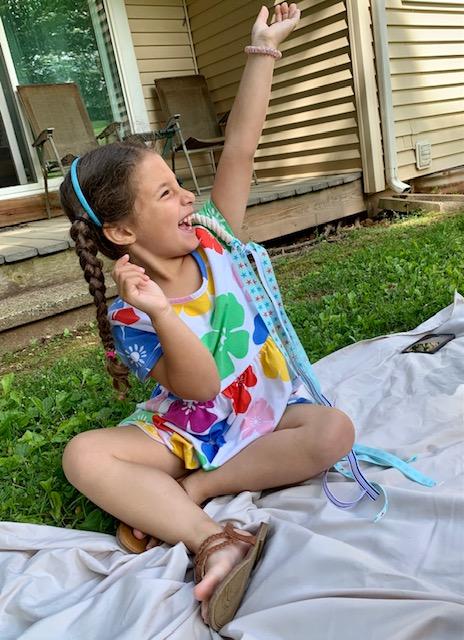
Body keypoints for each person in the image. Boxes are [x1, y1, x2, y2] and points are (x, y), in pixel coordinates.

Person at [59, 3, 355, 630]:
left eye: (179, 183)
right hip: (187, 428)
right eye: (166, 193)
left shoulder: (217, 237)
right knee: (84, 455)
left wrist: (263, 49)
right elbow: (193, 387)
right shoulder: (129, 315)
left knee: (333, 432)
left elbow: (242, 146)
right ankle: (213, 539)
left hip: (261, 410)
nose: (188, 197)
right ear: (121, 231)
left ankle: (195, 494)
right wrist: (163, 312)